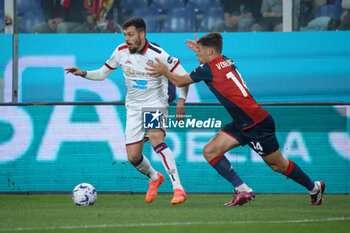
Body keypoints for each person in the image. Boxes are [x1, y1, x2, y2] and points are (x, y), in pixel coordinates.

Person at [146, 32, 326, 206]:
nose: (196, 53)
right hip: (242, 122)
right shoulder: (225, 60)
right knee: (210, 151)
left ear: (210, 51)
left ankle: (314, 187)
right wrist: (201, 48)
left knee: (278, 165)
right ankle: (243, 190)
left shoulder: (207, 69)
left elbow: (179, 81)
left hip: (256, 123)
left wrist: (164, 70)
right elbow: (213, 58)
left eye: (199, 50)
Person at [65, 17, 188, 205]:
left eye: (131, 35)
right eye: (125, 35)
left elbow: (184, 76)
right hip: (133, 108)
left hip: (155, 104)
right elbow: (103, 73)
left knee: (156, 140)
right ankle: (155, 177)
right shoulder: (121, 51)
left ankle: (178, 188)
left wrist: (181, 100)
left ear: (142, 34)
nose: (127, 39)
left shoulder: (158, 54)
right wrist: (83, 73)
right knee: (133, 157)